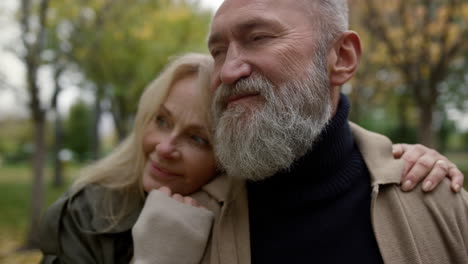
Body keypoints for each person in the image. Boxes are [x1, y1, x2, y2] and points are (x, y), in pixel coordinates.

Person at [193, 0, 468, 263]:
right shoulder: (190, 220)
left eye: (259, 38)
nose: (227, 71)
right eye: (217, 51)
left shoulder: (439, 207)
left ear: (342, 57)